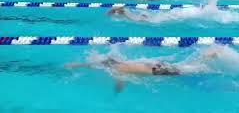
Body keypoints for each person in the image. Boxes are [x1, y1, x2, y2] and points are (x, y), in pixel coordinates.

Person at [65, 46, 219, 76]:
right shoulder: (121, 64)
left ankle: (208, 57)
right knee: (186, 66)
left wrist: (116, 93)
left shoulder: (118, 70)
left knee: (189, 69)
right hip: (155, 66)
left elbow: (119, 84)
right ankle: (207, 56)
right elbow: (98, 63)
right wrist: (79, 65)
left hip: (157, 70)